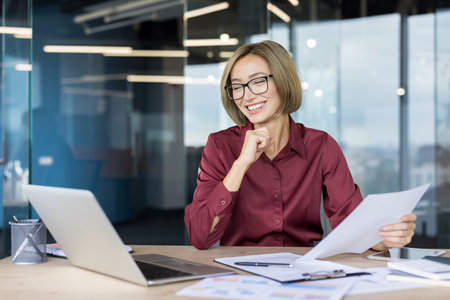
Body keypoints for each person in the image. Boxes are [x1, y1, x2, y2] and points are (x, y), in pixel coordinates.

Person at [184, 40, 416, 251]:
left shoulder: (321, 146)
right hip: (238, 276)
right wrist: (241, 164)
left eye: (258, 82)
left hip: (301, 274)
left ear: (284, 80)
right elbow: (201, 236)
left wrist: (385, 238)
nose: (247, 96)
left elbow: (351, 222)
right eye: (237, 87)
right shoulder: (220, 146)